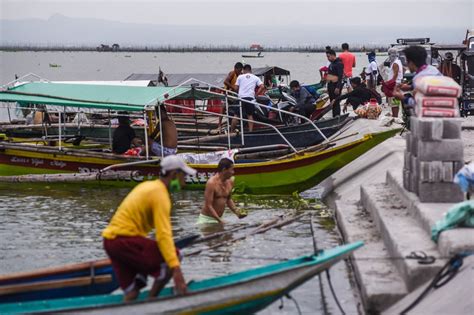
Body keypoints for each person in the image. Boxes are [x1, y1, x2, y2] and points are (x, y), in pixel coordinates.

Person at [102, 155, 197, 301]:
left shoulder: (148, 186)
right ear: (174, 175)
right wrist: (177, 271)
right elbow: (163, 234)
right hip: (123, 241)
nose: (185, 182)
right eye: (183, 176)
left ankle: (134, 306)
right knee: (175, 256)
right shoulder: (160, 195)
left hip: (110, 241)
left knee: (133, 289)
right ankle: (152, 301)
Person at [198, 158, 246, 224]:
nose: (233, 172)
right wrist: (220, 221)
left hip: (220, 218)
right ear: (224, 170)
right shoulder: (211, 183)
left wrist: (237, 212)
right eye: (231, 169)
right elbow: (208, 205)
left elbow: (228, 199)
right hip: (207, 219)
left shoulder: (230, 181)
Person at [231, 64, 265, 132]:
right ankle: (250, 131)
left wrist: (238, 92)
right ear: (250, 70)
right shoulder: (255, 77)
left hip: (241, 98)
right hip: (250, 98)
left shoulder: (240, 77)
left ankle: (232, 131)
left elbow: (236, 88)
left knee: (236, 115)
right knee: (250, 115)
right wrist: (256, 94)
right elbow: (262, 87)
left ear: (244, 70)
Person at [220, 62, 244, 133]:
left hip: (235, 95)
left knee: (236, 107)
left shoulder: (241, 75)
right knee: (223, 107)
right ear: (235, 68)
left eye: (240, 70)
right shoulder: (232, 73)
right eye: (238, 70)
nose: (239, 72)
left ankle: (235, 123)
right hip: (227, 93)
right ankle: (219, 124)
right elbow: (225, 81)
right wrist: (233, 87)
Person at [325, 49, 344, 117]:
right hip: (330, 84)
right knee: (332, 102)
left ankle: (337, 116)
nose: (328, 58)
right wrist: (327, 86)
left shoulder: (339, 63)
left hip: (336, 85)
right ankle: (334, 115)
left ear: (333, 55)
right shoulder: (331, 64)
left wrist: (338, 87)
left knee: (336, 101)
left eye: (329, 56)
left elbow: (340, 76)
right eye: (327, 57)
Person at [386, 47, 404, 118]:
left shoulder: (395, 63)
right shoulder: (398, 62)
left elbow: (395, 74)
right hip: (397, 84)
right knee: (395, 102)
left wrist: (390, 83)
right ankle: (395, 116)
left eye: (389, 54)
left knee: (394, 103)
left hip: (395, 85)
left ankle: (395, 117)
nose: (389, 56)